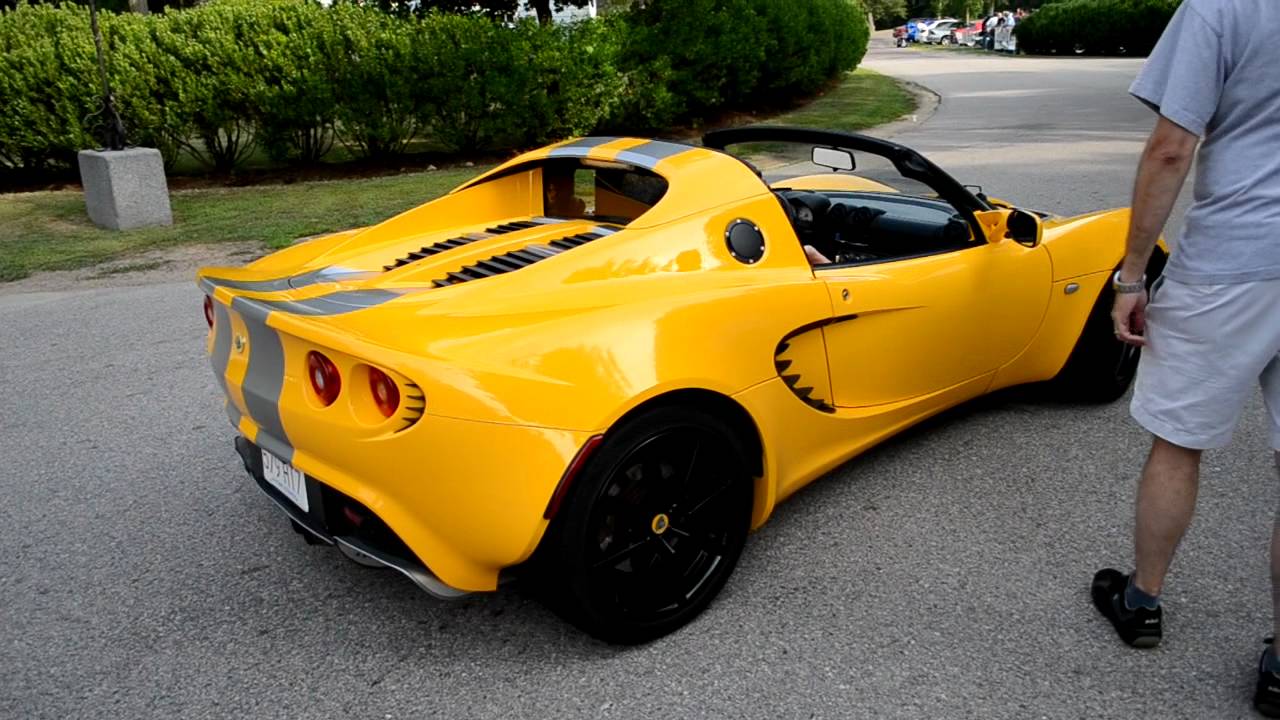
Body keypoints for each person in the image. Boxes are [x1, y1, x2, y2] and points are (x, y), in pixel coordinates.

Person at [1090, 1, 1280, 715]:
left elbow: (1173, 145)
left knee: (1179, 440)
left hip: (1231, 261)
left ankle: (1142, 601)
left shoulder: (1222, 6)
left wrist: (1132, 275)